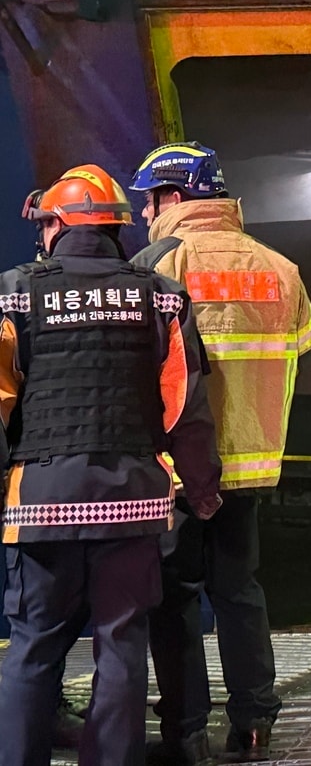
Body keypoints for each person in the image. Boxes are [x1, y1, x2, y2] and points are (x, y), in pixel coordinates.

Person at [0, 165, 222, 766]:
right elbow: (184, 408)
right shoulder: (160, 297)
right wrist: (202, 489)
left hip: (40, 503)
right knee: (121, 646)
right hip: (133, 505)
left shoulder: (13, 293)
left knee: (32, 648)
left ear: (58, 225)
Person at [128, 143, 311, 766]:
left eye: (151, 201)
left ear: (175, 197)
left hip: (179, 468)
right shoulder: (281, 267)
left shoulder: (156, 265)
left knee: (176, 598)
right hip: (253, 463)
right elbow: (306, 340)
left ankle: (186, 733)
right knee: (240, 592)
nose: (146, 214)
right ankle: (254, 728)